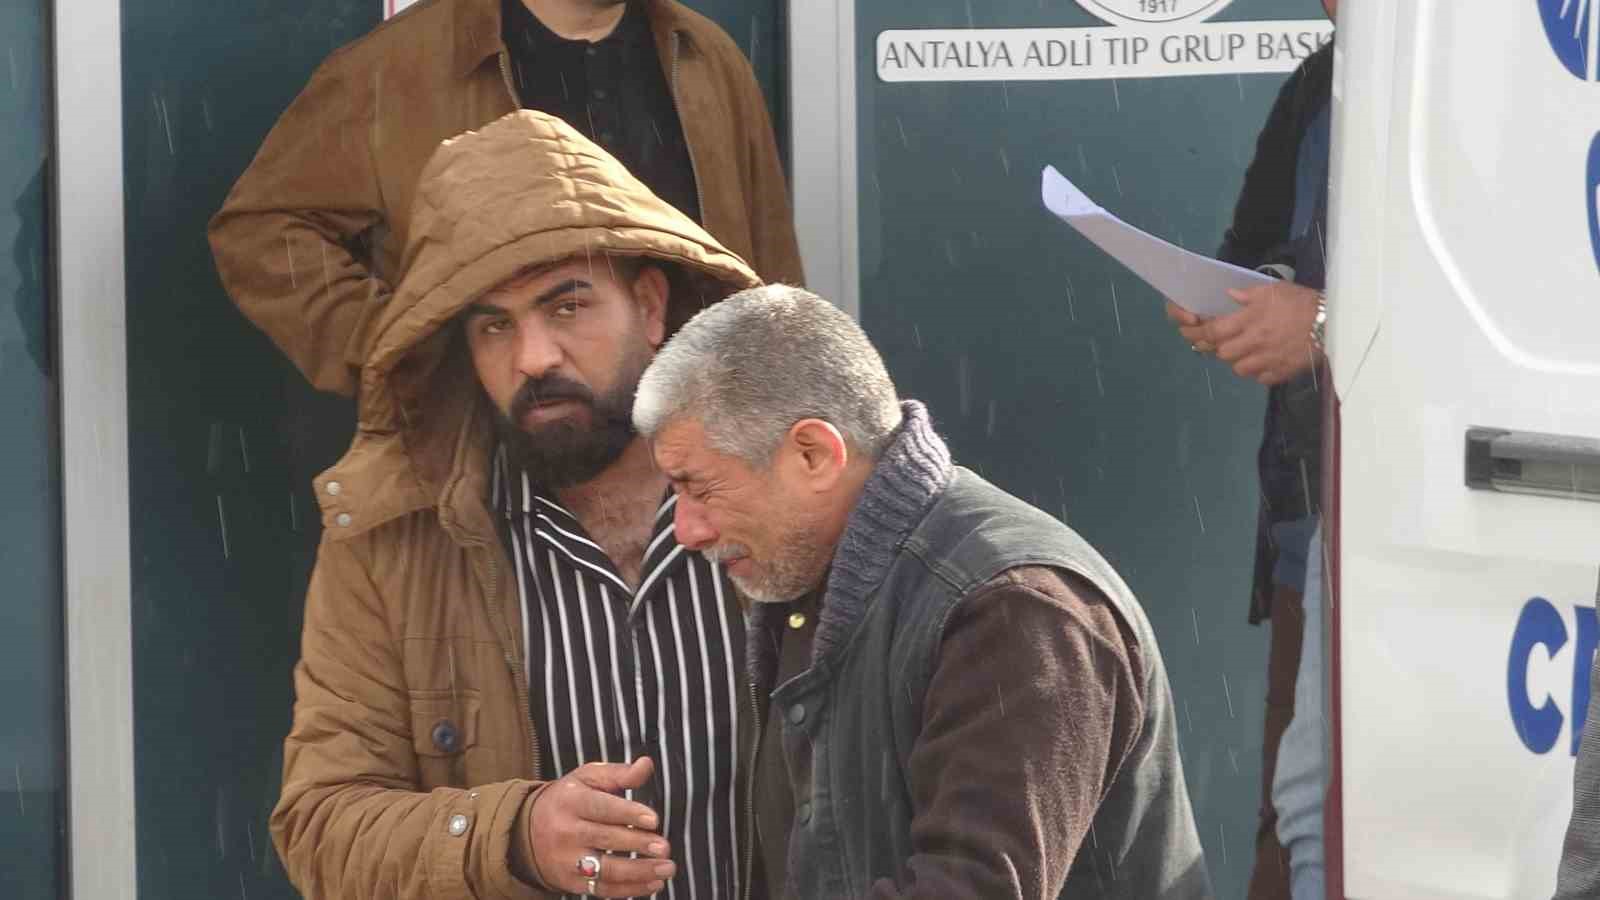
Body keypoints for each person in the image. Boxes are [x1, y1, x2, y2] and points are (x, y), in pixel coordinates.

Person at [269, 109, 765, 899]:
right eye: (495, 326)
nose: (533, 358)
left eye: (567, 307)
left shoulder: (782, 494)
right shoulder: (394, 539)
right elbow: (320, 825)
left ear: (649, 305)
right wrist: (510, 837)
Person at [633, 286, 1214, 900]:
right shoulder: (808, 583)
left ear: (814, 454)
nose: (685, 531)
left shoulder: (1017, 606)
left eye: (699, 488)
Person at [209, 0, 802, 397]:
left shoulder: (706, 58)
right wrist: (399, 353)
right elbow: (261, 230)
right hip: (493, 482)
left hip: (694, 470)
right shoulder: (396, 69)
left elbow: (769, 264)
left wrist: (778, 410)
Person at [1164, 3, 1337, 898]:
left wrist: (1322, 322)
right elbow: (1258, 249)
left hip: (1424, 515)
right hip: (1308, 525)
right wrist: (1241, 300)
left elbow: (1509, 297)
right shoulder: (1320, 82)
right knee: (1295, 819)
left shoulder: (1487, 80)